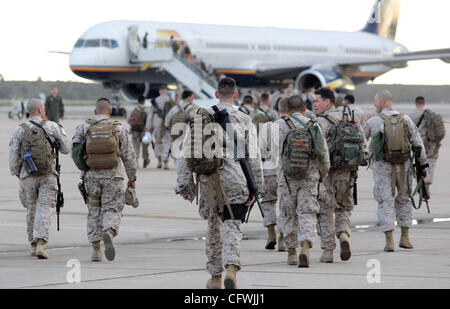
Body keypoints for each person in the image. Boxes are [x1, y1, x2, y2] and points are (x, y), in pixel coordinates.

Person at [175, 77, 264, 288]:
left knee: (213, 228)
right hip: (235, 178)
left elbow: (185, 153)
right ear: (236, 94)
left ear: (216, 94)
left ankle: (215, 277)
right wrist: (256, 187)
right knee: (232, 225)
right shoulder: (243, 118)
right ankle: (231, 269)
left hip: (209, 181)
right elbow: (254, 157)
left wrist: (185, 184)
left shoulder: (201, 117)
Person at [72, 98, 137, 262]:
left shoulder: (84, 127)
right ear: (110, 112)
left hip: (91, 177)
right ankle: (109, 231)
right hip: (113, 177)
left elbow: (75, 151)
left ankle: (96, 250)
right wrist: (132, 178)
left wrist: (84, 169)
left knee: (94, 211)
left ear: (95, 111)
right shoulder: (118, 128)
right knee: (112, 209)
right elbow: (128, 156)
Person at [364, 90, 427, 251]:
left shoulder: (374, 121)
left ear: (384, 102)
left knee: (385, 201)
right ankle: (405, 237)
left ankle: (389, 241)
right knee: (404, 199)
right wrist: (422, 165)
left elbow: (361, 140)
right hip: (404, 167)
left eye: (376, 101)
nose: (374, 104)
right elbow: (417, 143)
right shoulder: (405, 119)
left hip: (382, 168)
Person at [9, 99, 70, 259]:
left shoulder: (20, 129)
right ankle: (42, 242)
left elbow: (13, 154)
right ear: (41, 109)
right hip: (48, 174)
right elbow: (66, 148)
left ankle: (33, 243)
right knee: (45, 208)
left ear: (28, 111)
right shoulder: (52, 126)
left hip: (27, 174)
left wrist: (18, 173)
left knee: (31, 209)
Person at [275, 95, 330, 267]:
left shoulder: (278, 126)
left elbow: (265, 152)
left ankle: (291, 253)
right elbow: (324, 154)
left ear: (286, 109)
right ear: (304, 108)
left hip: (286, 179)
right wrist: (323, 173)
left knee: (288, 214)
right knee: (307, 212)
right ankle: (305, 247)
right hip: (309, 177)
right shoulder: (314, 126)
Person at [314, 88, 364, 263]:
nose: (314, 104)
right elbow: (362, 146)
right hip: (347, 174)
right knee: (343, 207)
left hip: (326, 175)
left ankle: (328, 251)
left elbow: (316, 150)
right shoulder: (350, 119)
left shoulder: (320, 122)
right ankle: (343, 234)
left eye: (317, 101)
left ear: (328, 102)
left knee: (324, 211)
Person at [255, 93, 283, 250]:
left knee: (267, 203)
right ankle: (283, 238)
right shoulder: (287, 126)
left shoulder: (262, 128)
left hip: (266, 171)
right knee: (286, 206)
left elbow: (255, 153)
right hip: (284, 172)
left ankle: (271, 232)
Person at [409, 96, 444, 193]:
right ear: (424, 103)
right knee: (431, 162)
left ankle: (421, 183)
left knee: (420, 163)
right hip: (432, 143)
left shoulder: (412, 115)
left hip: (420, 143)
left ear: (416, 104)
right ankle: (428, 184)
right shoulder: (432, 114)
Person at [146, 85, 173, 169]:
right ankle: (165, 161)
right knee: (167, 143)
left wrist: (148, 127)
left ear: (159, 91)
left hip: (156, 123)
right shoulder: (171, 100)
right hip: (167, 124)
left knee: (158, 142)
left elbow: (150, 115)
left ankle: (159, 160)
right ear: (167, 91)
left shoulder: (155, 100)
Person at [128, 95, 150, 168]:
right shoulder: (146, 110)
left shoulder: (134, 110)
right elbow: (148, 122)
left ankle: (136, 161)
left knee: (135, 147)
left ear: (138, 102)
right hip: (143, 132)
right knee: (145, 148)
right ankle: (145, 159)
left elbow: (129, 120)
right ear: (144, 101)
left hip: (135, 131)